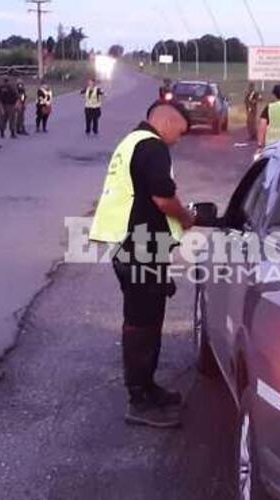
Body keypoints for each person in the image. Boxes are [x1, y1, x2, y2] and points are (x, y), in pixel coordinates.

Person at [89, 101, 194, 428]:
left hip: (136, 245)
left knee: (148, 318)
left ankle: (148, 389)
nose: (179, 140)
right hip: (140, 246)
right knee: (141, 324)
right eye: (181, 131)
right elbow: (163, 198)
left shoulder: (132, 141)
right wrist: (187, 216)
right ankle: (138, 400)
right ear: (166, 119)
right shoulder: (152, 146)